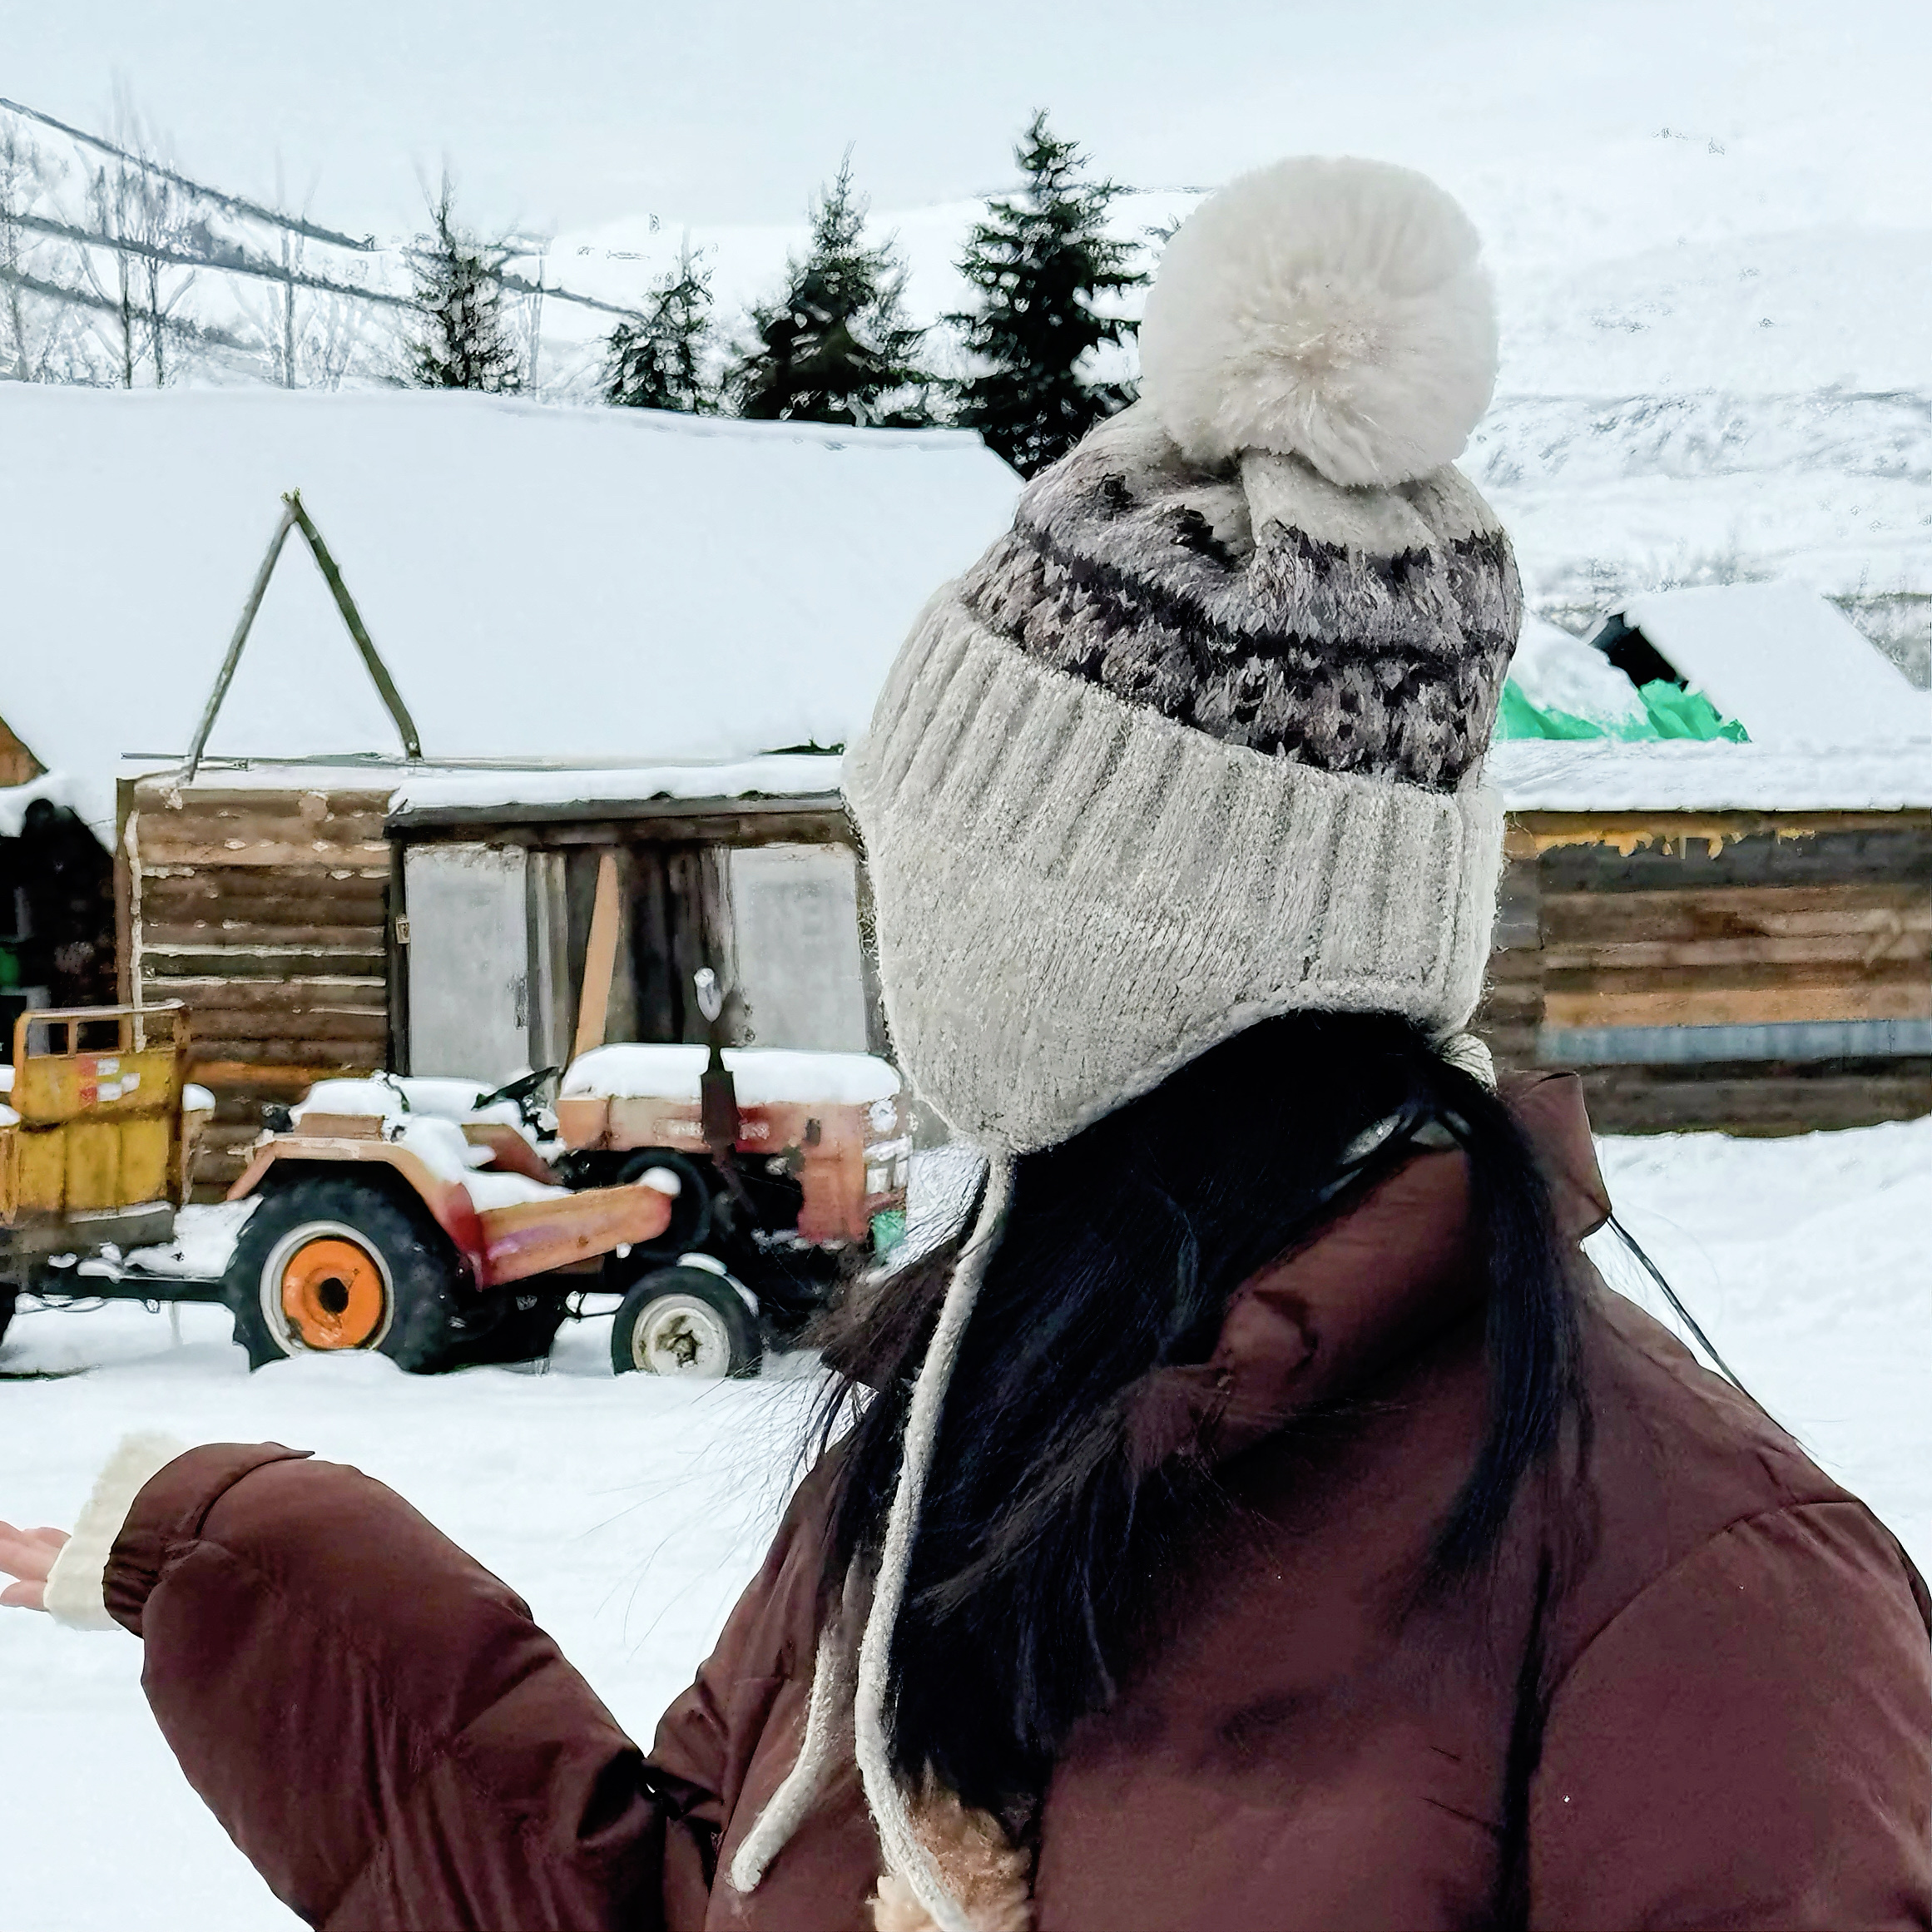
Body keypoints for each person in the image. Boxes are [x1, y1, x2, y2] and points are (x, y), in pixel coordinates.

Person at [5, 156, 1929, 1932]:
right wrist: (261, 1560)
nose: (896, 954)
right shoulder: (965, 1432)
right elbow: (681, 1904)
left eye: (923, 880)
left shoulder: (1706, 1590)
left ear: (1115, 944)